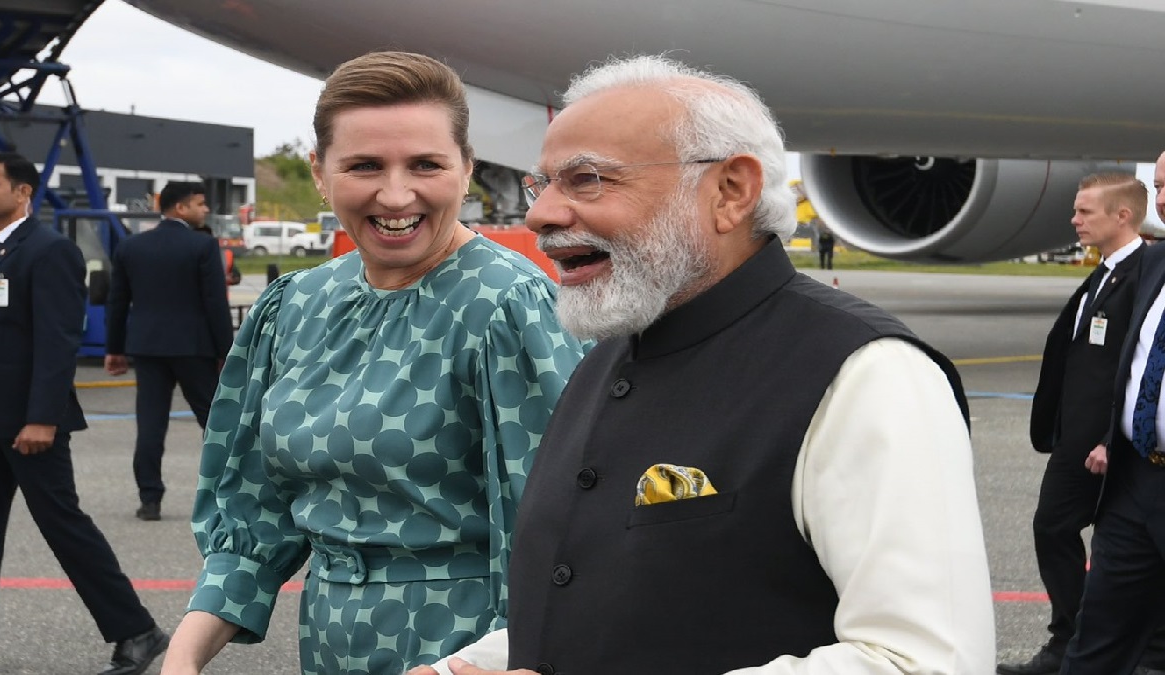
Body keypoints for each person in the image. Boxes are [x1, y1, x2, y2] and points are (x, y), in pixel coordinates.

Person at [411, 53, 994, 675]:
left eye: (588, 179)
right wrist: (463, 669)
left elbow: (924, 661)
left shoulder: (868, 373)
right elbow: (596, 611)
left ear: (730, 192)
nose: (540, 214)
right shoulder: (608, 355)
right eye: (545, 184)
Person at [158, 51, 588, 675]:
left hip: (467, 646)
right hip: (330, 641)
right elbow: (256, 517)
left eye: (426, 165)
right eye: (364, 166)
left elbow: (557, 532)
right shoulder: (294, 306)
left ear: (467, 169)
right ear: (320, 173)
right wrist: (183, 657)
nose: (395, 194)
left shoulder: (508, 307)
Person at [0, 152, 168, 675]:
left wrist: (43, 416)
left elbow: (57, 341)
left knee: (63, 526)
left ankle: (137, 631)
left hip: (28, 424)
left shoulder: (49, 250)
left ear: (23, 192)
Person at [1002, 173, 1165, 675]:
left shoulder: (1140, 269)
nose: (1074, 221)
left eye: (1084, 212)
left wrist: (1105, 439)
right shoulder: (1132, 269)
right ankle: (1076, 641)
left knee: (1056, 528)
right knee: (1102, 614)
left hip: (1107, 446)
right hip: (1113, 450)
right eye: (1158, 185)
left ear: (1122, 215)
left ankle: (1084, 640)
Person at [1060, 150, 1165, 674]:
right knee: (1098, 635)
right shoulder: (1154, 264)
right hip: (1137, 476)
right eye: (1160, 185)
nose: (1163, 198)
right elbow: (1134, 365)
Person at [104, 181, 234, 521]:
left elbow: (117, 302)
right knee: (215, 422)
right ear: (181, 208)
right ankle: (229, 493)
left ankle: (150, 499)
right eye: (200, 204)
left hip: (147, 347)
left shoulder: (131, 246)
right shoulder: (203, 245)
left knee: (150, 424)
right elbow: (215, 303)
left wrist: (114, 349)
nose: (205, 210)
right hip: (194, 347)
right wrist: (228, 351)